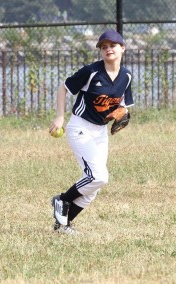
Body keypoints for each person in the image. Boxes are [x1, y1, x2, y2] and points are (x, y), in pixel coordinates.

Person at [49, 29, 134, 234]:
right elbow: (63, 88)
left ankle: (63, 225)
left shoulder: (126, 76)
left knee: (92, 187)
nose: (108, 49)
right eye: (104, 47)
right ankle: (62, 199)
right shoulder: (92, 71)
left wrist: (122, 115)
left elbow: (123, 106)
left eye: (112, 45)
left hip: (99, 132)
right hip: (80, 128)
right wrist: (60, 117)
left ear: (122, 48)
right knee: (98, 177)